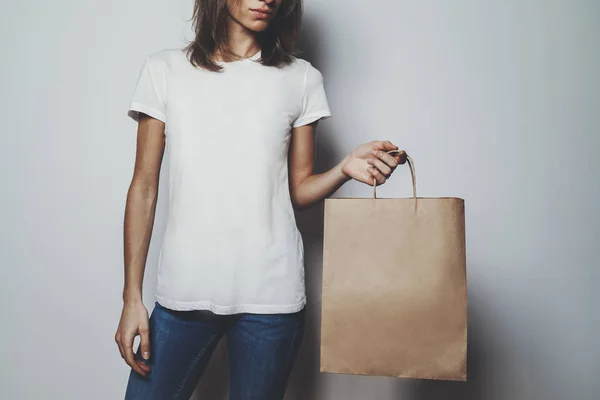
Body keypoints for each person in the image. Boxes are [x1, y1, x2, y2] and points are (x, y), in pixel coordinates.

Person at [115, 0, 407, 398]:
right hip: (184, 292)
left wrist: (343, 168)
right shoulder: (164, 71)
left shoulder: (301, 78)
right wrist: (132, 297)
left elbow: (299, 189)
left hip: (271, 300)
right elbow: (144, 187)